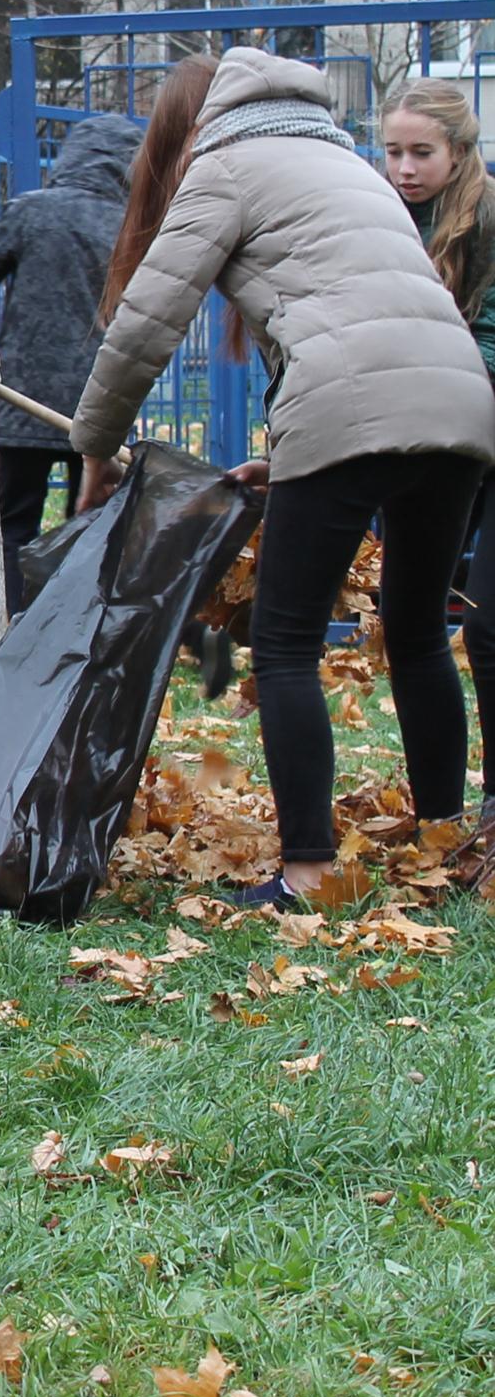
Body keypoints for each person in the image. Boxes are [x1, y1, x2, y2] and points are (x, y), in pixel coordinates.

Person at [73, 50, 495, 909]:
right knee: (418, 631)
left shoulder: (225, 167)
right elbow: (363, 308)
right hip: (459, 405)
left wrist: (95, 448)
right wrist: (294, 444)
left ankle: (305, 872)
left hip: (357, 404)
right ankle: (441, 843)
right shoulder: (345, 166)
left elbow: (147, 324)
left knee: (286, 641)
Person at [0, 113, 142, 611]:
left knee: (14, 523)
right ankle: (77, 634)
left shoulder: (31, 212)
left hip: (23, 397)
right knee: (93, 523)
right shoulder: (133, 228)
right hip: (103, 397)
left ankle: (14, 636)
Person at [375, 78, 495, 831]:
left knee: (488, 627)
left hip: (476, 415)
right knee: (411, 616)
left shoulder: (488, 216)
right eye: (393, 150)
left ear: (459, 151)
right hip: (437, 434)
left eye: (422, 152)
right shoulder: (382, 217)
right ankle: (440, 820)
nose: (405, 167)